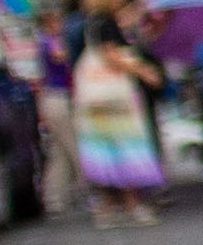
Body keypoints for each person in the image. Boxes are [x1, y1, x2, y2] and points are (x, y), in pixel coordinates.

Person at [70, 19, 165, 228]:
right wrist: (143, 71)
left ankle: (108, 207)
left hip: (98, 104)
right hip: (115, 106)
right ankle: (130, 204)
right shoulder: (106, 23)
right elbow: (111, 55)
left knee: (106, 153)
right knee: (124, 150)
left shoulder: (90, 21)